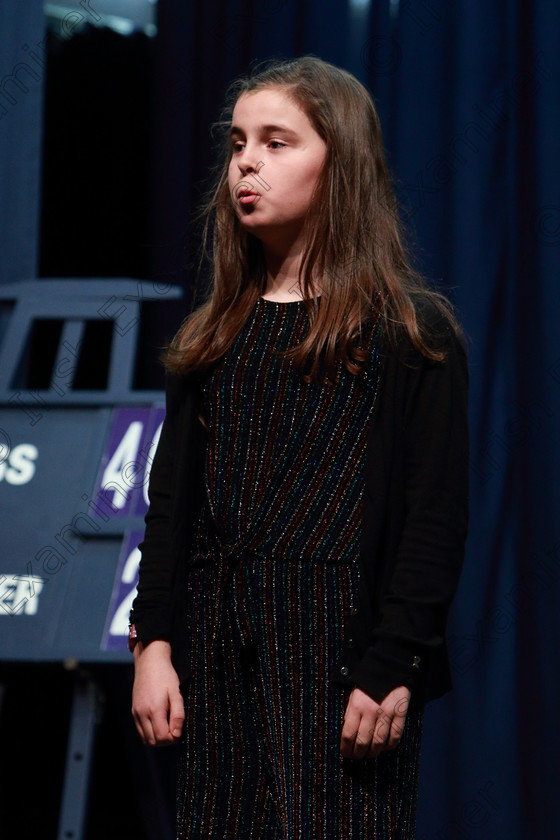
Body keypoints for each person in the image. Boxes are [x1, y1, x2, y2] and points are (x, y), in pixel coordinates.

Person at [129, 55, 469, 840]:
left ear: (340, 163)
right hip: (219, 647)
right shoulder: (216, 335)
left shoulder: (408, 334)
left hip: (339, 648)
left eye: (277, 142)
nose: (246, 162)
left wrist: (396, 662)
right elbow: (172, 505)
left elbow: (434, 517)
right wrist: (154, 643)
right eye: (239, 142)